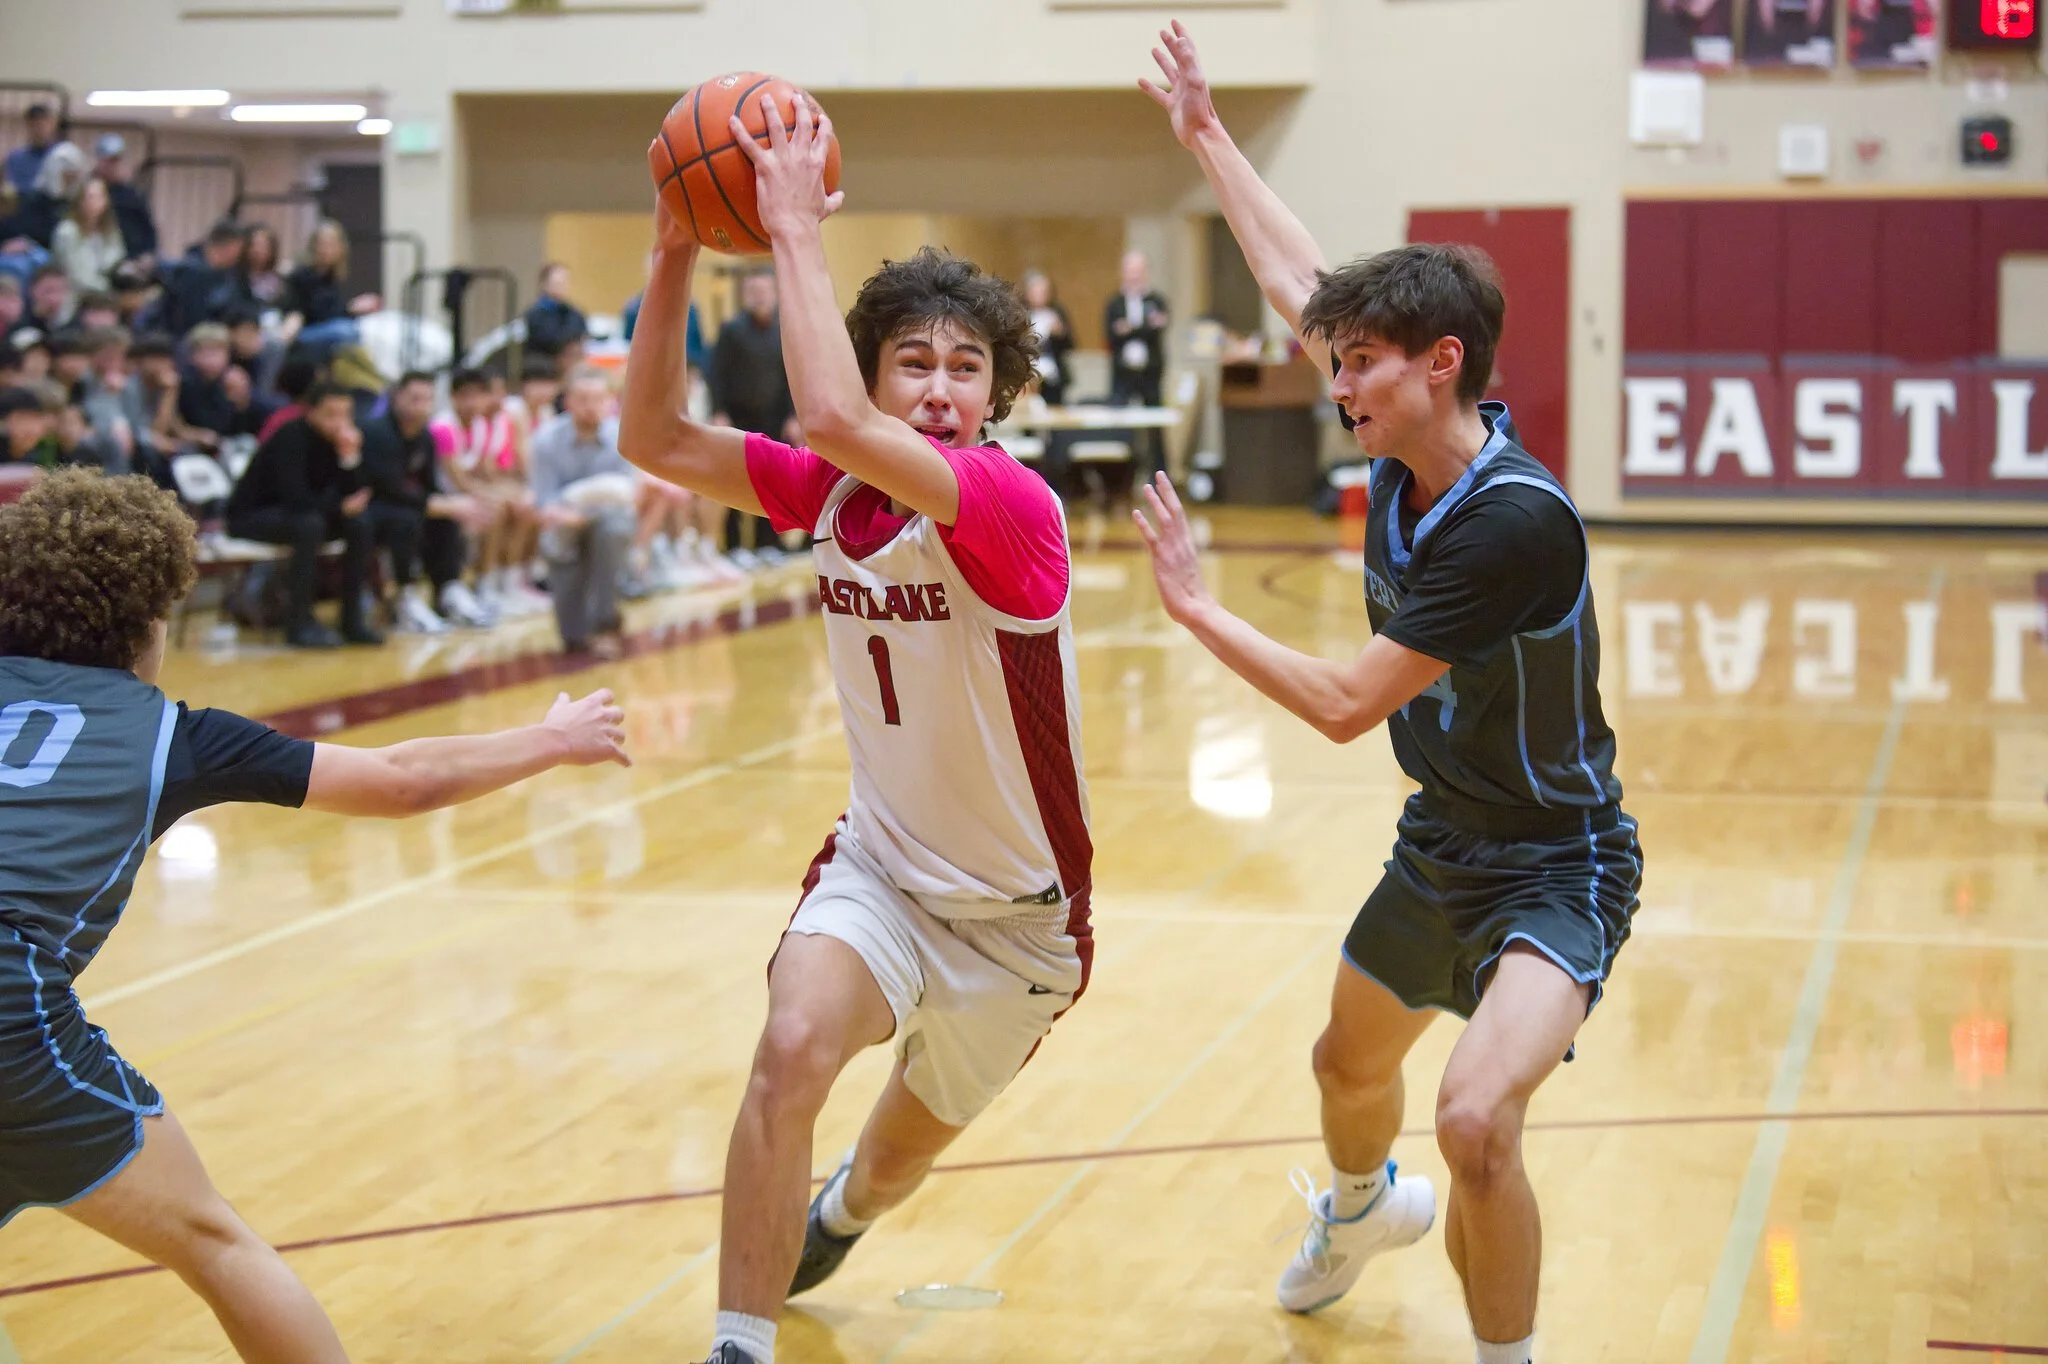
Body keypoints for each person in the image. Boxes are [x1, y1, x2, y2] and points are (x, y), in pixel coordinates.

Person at [1132, 27, 1642, 1364]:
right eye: (1339, 359)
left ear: (1442, 362)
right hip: (1441, 843)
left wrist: (1199, 609)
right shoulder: (1403, 442)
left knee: (1473, 1120)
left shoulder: (1509, 521)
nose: (1336, 380)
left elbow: (1347, 703)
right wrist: (1205, 132)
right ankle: (1360, 1210)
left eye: (1359, 362)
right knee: (1345, 1067)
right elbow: (1293, 276)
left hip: (1557, 862)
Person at [620, 95, 1092, 1364]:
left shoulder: (1005, 501)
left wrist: (792, 231)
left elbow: (830, 416)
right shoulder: (830, 492)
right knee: (789, 1048)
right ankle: (739, 1341)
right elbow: (651, 435)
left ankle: (841, 1210)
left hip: (1017, 922)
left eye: (964, 368)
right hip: (880, 870)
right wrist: (670, 251)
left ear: (994, 395)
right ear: (876, 369)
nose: (937, 391)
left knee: (888, 1164)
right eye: (912, 364)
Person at [0, 468, 629, 1364]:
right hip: (12, 1013)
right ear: (149, 621)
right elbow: (403, 782)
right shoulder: (171, 734)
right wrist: (554, 739)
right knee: (214, 1243)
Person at [224, 383, 389, 648]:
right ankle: (299, 624)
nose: (339, 422)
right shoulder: (290, 437)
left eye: (345, 414)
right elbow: (296, 498)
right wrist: (339, 508)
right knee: (310, 525)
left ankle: (352, 620)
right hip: (251, 516)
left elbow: (356, 493)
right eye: (331, 414)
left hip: (305, 514)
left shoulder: (342, 441)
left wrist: (350, 458)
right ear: (311, 412)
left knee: (359, 524)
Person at [359, 371, 495, 633]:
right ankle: (404, 597)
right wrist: (439, 504)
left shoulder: (424, 436)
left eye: (427, 399)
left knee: (446, 515)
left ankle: (448, 589)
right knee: (408, 519)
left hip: (402, 503)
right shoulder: (377, 433)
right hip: (371, 506)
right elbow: (388, 488)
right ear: (396, 397)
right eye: (414, 399)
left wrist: (450, 505)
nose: (421, 406)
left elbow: (428, 485)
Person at [529, 366, 635, 656]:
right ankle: (581, 623)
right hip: (563, 524)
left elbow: (628, 493)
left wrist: (585, 512)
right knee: (572, 639)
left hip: (608, 520)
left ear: (610, 401)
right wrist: (566, 515)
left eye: (599, 399)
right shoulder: (546, 440)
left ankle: (605, 623)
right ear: (568, 402)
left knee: (612, 531)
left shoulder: (623, 436)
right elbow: (543, 501)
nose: (591, 406)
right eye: (583, 399)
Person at [434, 367, 548, 619]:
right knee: (495, 509)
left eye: (478, 395)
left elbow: (487, 472)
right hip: (445, 494)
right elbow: (460, 482)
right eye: (466, 396)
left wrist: (514, 494)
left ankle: (510, 582)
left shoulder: (481, 424)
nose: (473, 403)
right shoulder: (443, 428)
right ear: (452, 398)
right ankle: (485, 585)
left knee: (527, 504)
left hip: (467, 490)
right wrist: (495, 496)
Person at [709, 269, 799, 567]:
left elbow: (790, 377)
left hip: (773, 418)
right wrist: (718, 411)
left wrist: (792, 415)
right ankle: (735, 546)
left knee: (770, 482)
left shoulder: (783, 330)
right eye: (754, 291)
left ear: (774, 293)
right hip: (738, 418)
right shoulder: (731, 330)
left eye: (764, 290)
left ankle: (767, 544)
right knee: (735, 480)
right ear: (746, 295)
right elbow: (716, 374)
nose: (760, 296)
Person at [1104, 248, 1170, 472]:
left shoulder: (1156, 300)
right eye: (1130, 270)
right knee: (1120, 425)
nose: (1134, 276)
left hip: (1150, 372)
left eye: (1138, 270)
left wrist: (1130, 329)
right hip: (1123, 373)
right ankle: (1120, 475)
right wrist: (1144, 328)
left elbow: (1159, 328)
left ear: (1146, 272)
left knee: (1155, 428)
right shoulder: (1115, 303)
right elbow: (1111, 334)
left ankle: (1159, 473)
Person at [281, 219, 378, 354]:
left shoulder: (332, 276)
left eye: (332, 245)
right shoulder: (302, 274)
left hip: (323, 330)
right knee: (346, 332)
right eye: (323, 244)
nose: (326, 250)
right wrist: (350, 309)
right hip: (301, 332)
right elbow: (313, 314)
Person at [175, 323, 265, 452]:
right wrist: (197, 435)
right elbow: (179, 425)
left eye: (216, 352)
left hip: (229, 442)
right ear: (192, 355)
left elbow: (240, 425)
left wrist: (241, 401)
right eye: (204, 352)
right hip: (193, 446)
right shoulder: (184, 383)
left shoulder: (233, 380)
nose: (211, 359)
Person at [159, 220, 248, 338]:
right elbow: (192, 319)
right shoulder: (191, 273)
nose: (239, 255)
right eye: (238, 249)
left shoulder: (226, 273)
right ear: (230, 247)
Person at [91, 134, 158, 266]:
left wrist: (148, 255)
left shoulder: (132, 195)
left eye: (115, 161)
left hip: (131, 258)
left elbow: (148, 230)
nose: (111, 166)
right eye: (107, 161)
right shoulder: (87, 190)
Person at [51, 178, 126, 293]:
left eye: (99, 197)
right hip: (75, 293)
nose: (94, 202)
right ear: (79, 201)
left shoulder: (110, 230)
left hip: (107, 289)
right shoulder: (67, 232)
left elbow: (118, 258)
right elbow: (76, 275)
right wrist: (108, 290)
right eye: (90, 197)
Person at [1020, 269, 1074, 406]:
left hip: (1053, 374)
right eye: (1036, 291)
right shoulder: (1020, 313)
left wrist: (1060, 333)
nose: (1041, 295)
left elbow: (1071, 345)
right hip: (1029, 373)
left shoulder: (1057, 312)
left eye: (1044, 291)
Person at [523, 262, 588, 365]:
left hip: (571, 360)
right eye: (557, 283)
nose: (562, 286)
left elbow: (582, 332)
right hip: (544, 362)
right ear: (544, 284)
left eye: (565, 282)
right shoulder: (536, 313)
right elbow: (548, 340)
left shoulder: (573, 312)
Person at [4, 104, 60, 197]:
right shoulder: (15, 158)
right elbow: (10, 189)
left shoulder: (62, 157)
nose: (38, 129)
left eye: (43, 124)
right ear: (27, 126)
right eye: (34, 125)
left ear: (52, 125)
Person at [239, 223, 287, 310]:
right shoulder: (237, 278)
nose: (257, 250)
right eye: (254, 245)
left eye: (263, 246)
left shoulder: (279, 281)